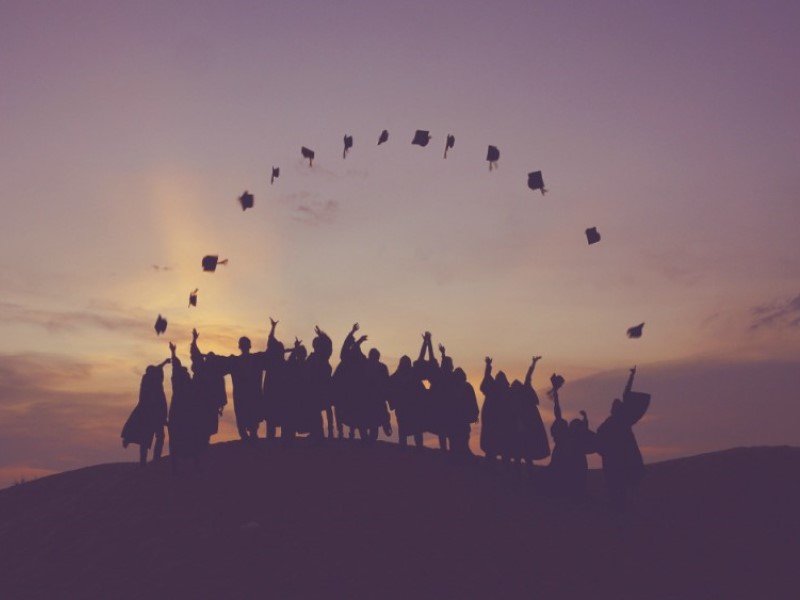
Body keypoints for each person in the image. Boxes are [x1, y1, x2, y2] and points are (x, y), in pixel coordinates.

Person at [596, 367, 650, 510]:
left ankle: (622, 506)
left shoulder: (621, 421)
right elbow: (599, 440)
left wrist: (631, 376)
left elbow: (626, 394)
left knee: (620, 485)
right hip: (615, 459)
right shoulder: (615, 422)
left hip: (622, 457)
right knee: (617, 486)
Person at [220, 327, 269, 442]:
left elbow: (219, 362)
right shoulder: (252, 359)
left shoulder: (238, 361)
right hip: (246, 396)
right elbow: (272, 354)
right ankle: (249, 437)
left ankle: (248, 437)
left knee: (247, 418)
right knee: (247, 418)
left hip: (246, 396)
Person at [121, 358, 170, 467]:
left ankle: (152, 459)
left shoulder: (151, 381)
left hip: (154, 416)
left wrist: (164, 363)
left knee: (155, 437)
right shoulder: (149, 382)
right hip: (150, 415)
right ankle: (150, 460)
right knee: (148, 438)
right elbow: (157, 369)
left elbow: (157, 368)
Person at [167, 342, 206, 472]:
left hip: (181, 416)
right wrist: (173, 353)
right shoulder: (186, 385)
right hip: (183, 416)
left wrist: (173, 352)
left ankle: (179, 466)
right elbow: (176, 367)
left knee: (180, 440)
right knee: (185, 439)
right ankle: (186, 465)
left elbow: (175, 367)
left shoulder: (182, 385)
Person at [509, 356, 550, 471]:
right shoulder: (511, 399)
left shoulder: (524, 395)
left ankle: (529, 473)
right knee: (518, 454)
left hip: (527, 428)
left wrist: (533, 363)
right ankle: (518, 475)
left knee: (527, 454)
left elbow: (528, 377)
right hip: (517, 429)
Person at [189, 329, 227, 443]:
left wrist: (194, 340)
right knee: (205, 429)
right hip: (206, 404)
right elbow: (195, 353)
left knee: (203, 429)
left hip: (204, 403)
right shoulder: (215, 373)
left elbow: (194, 353)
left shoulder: (204, 369)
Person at [480, 357, 513, 464]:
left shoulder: (506, 393)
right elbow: (487, 379)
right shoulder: (493, 391)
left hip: (503, 425)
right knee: (492, 448)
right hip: (493, 424)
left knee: (503, 449)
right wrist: (488, 366)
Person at [388, 355, 425, 448]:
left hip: (412, 408)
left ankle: (414, 448)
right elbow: (389, 389)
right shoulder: (396, 377)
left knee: (414, 430)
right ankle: (407, 449)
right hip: (404, 408)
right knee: (406, 430)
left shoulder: (411, 375)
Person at [448, 366, 479, 458]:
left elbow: (472, 402)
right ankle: (458, 456)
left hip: (461, 418)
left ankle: (460, 455)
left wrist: (474, 413)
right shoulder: (453, 387)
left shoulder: (466, 387)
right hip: (456, 418)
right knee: (457, 438)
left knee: (461, 438)